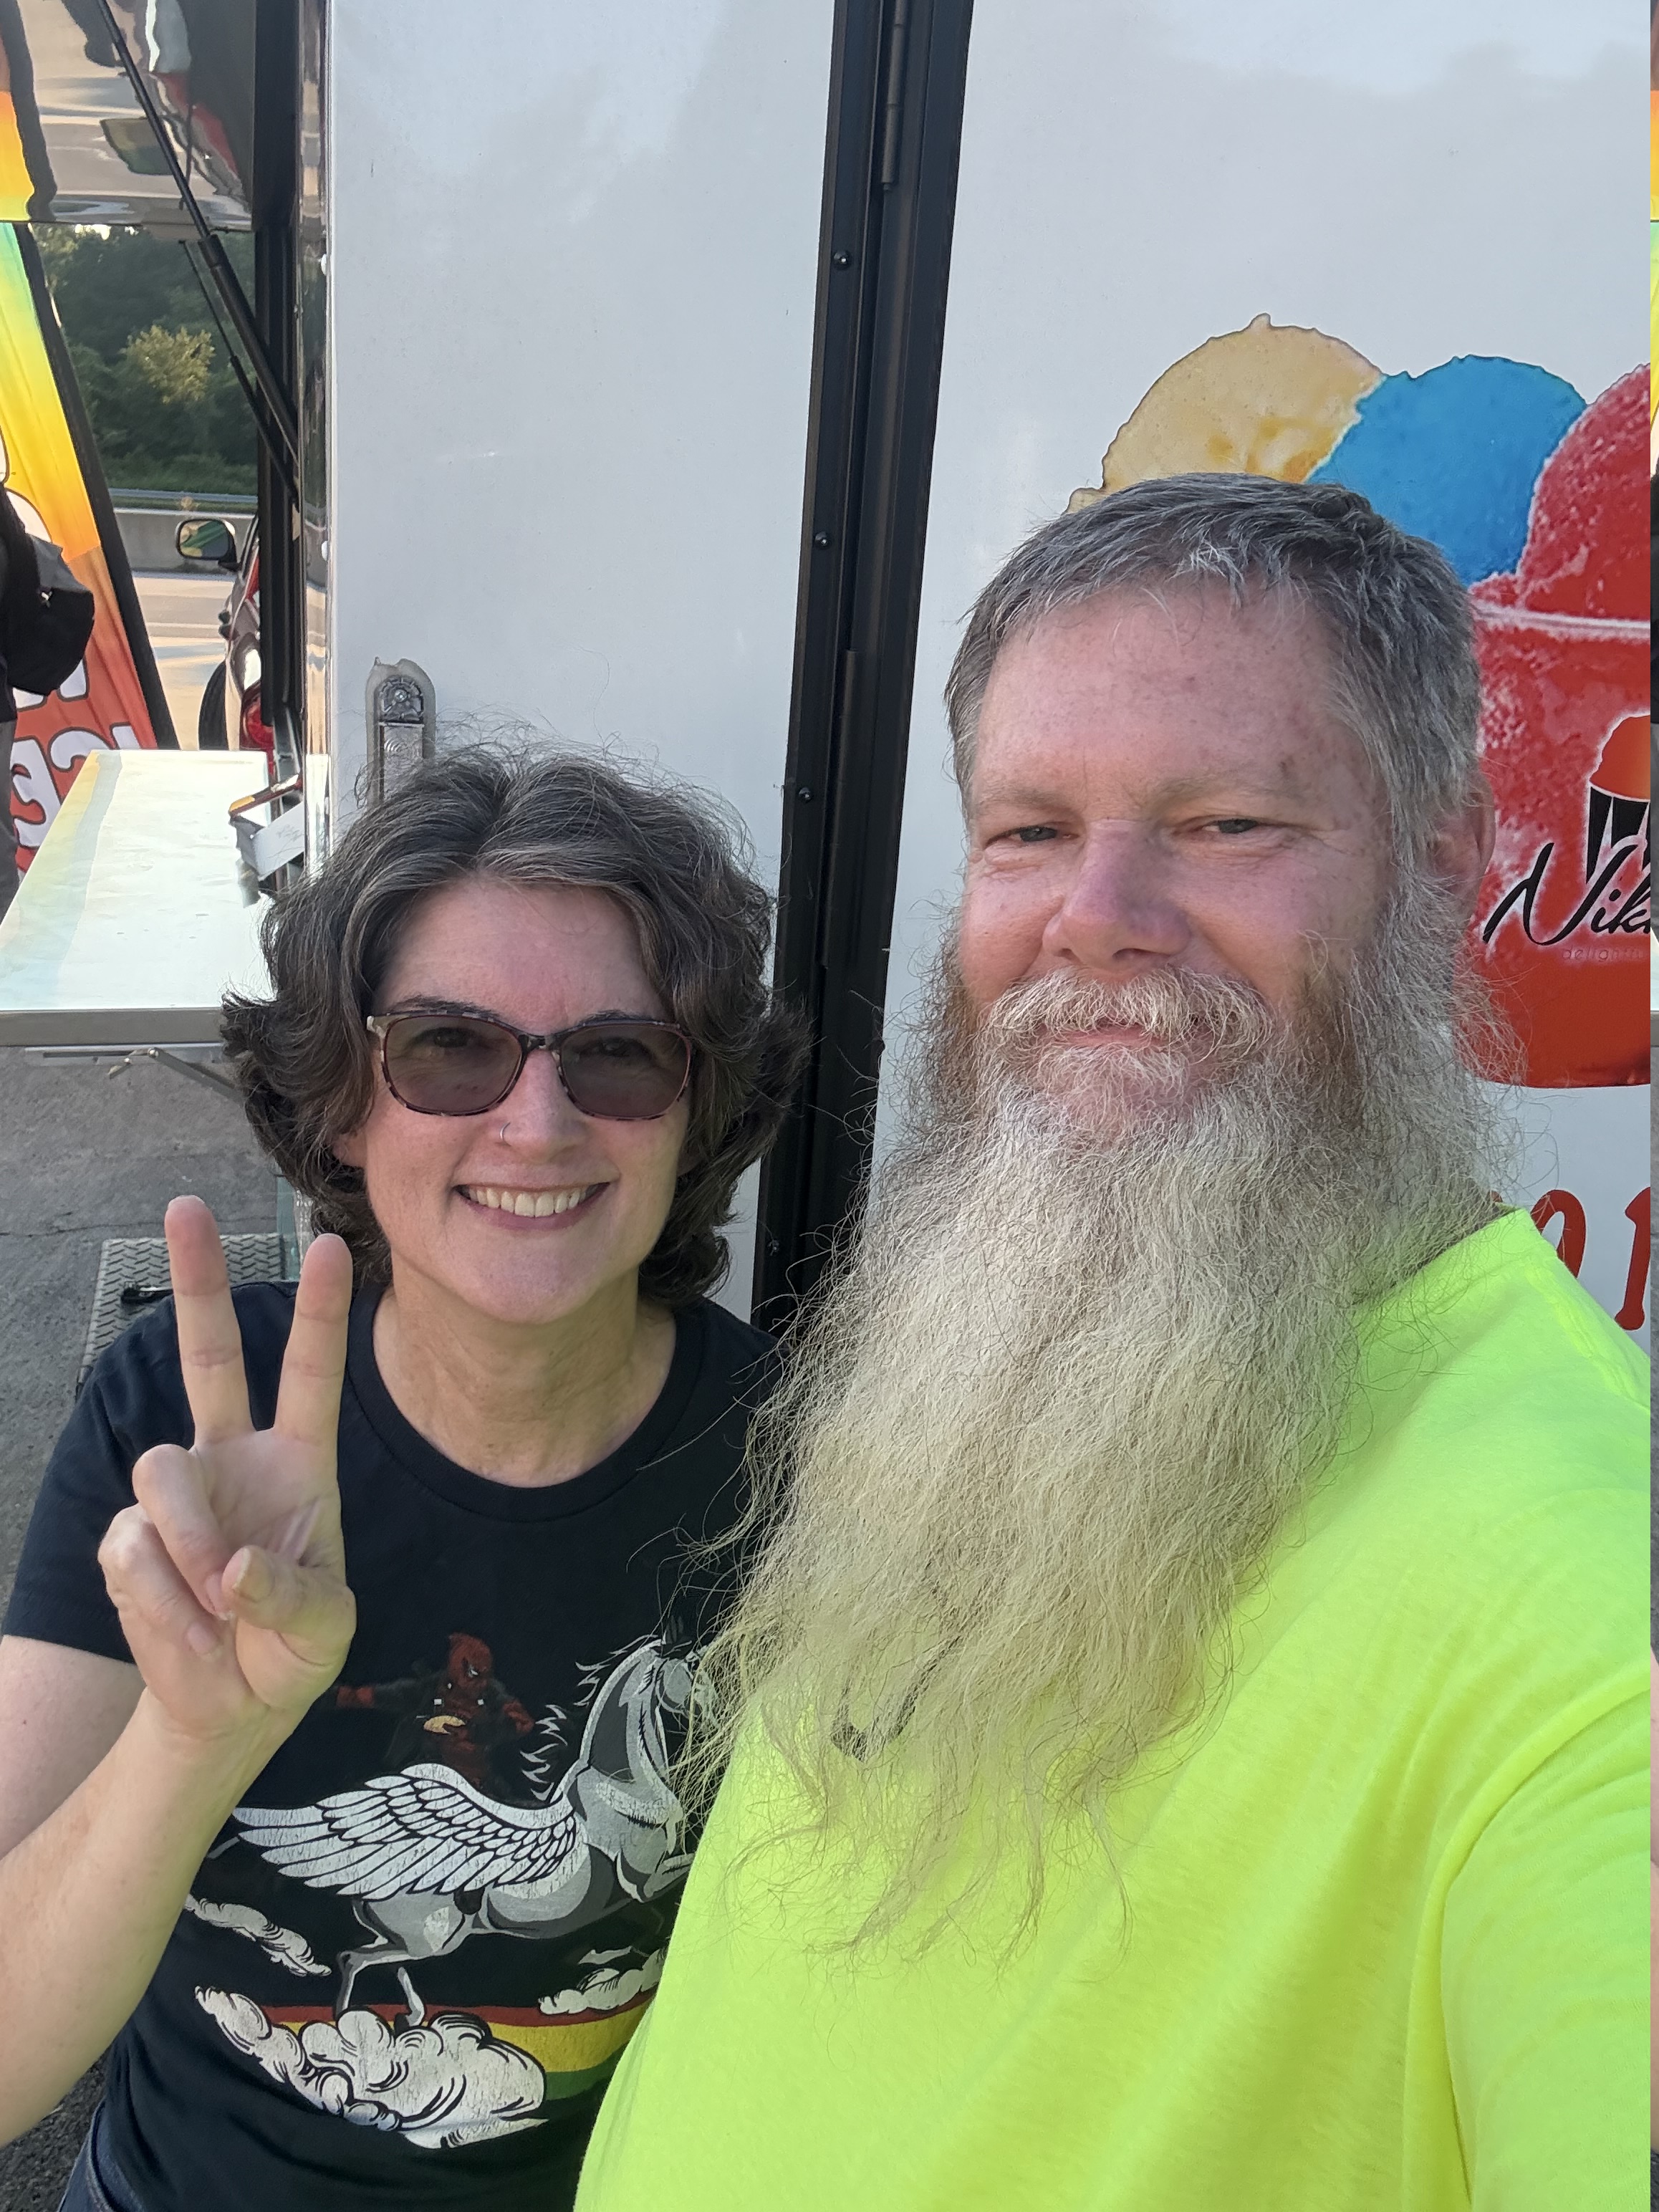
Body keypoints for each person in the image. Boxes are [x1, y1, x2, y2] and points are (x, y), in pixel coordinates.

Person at [574, 478, 1649, 2211]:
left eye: (1225, 821)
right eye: (1028, 830)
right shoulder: (1001, 1332)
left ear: (1445, 856)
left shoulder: (1587, 1597)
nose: (1098, 915)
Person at [0, 746, 803, 2211]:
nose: (539, 1123)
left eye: (621, 1054)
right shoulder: (180, 1425)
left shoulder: (798, 1468)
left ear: (697, 1109)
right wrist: (192, 1736)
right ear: (344, 1105)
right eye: (448, 1047)